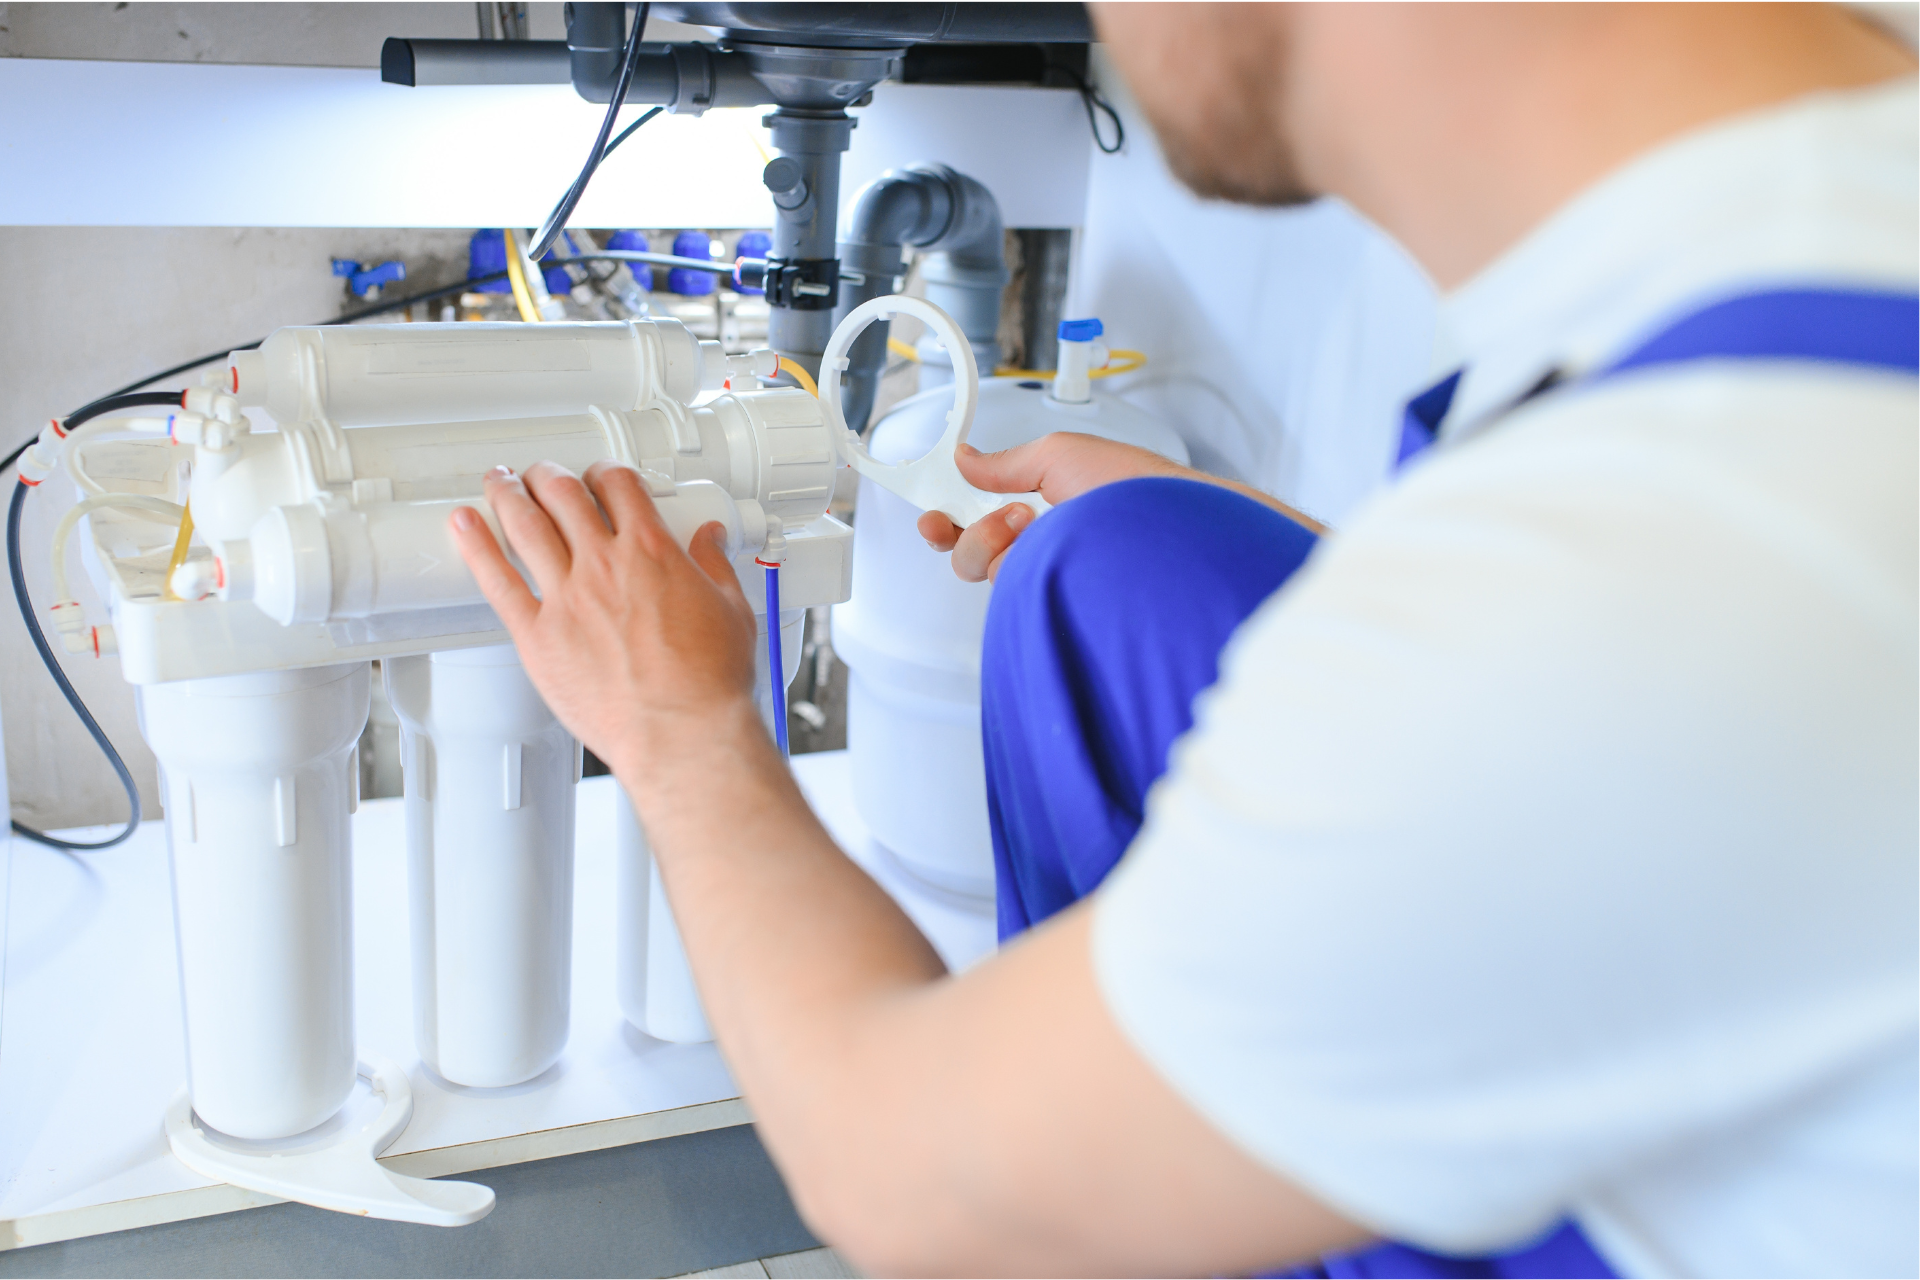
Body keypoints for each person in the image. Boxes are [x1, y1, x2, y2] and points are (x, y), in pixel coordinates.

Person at [449, 4, 1918, 1275]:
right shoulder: (1804, 248)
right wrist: (1212, 510)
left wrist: (682, 728)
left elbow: (896, 1176)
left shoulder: (1645, 590)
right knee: (1118, 564)